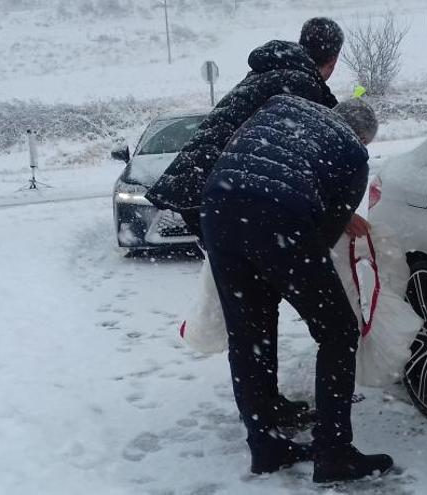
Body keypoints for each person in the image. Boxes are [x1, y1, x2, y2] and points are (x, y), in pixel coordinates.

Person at [147, 17, 362, 429]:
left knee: (252, 320)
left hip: (210, 198)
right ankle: (316, 438)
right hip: (249, 202)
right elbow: (307, 163)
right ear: (333, 59)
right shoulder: (298, 89)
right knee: (291, 317)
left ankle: (264, 426)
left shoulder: (267, 74)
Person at [200, 94, 393, 482]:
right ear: (363, 138)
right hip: (277, 214)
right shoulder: (354, 155)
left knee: (248, 336)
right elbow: (321, 237)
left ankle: (266, 445)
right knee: (338, 331)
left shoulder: (280, 106)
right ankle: (334, 452)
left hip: (218, 205)